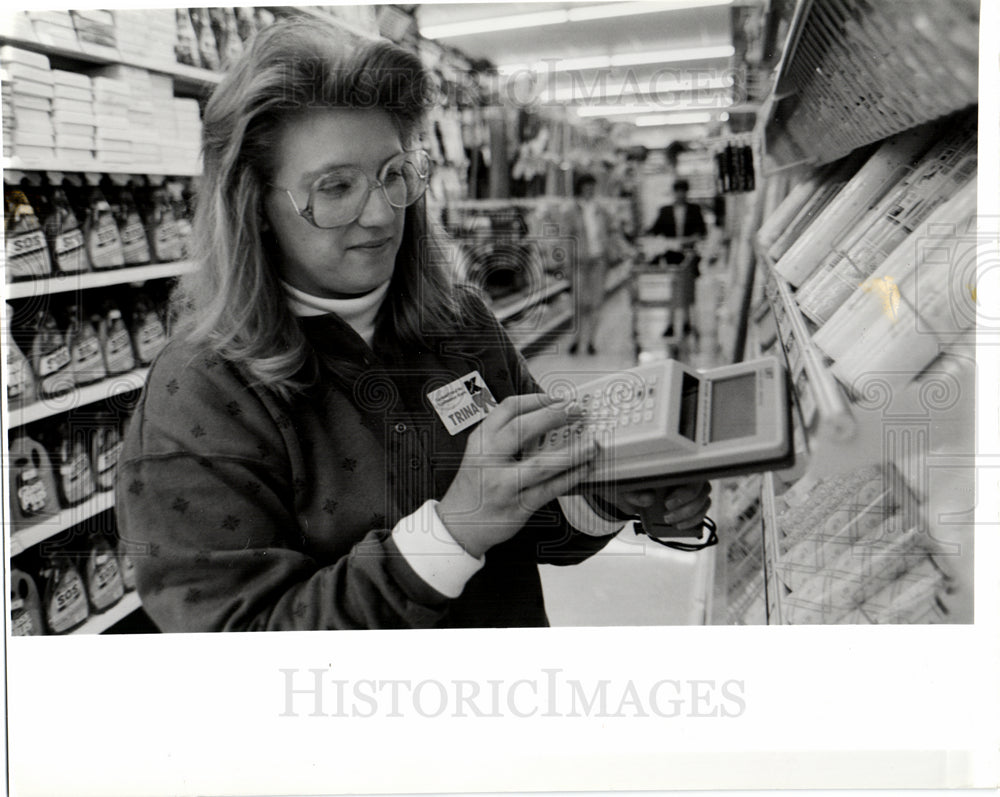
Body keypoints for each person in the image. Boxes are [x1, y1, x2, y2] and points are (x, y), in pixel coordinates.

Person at [114, 20, 711, 632]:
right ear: (253, 206)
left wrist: (611, 497)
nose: (379, 215)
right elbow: (238, 645)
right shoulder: (202, 391)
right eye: (335, 187)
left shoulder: (460, 322)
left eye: (394, 174)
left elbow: (540, 527)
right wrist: (453, 533)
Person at [645, 178, 707, 338]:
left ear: (686, 192)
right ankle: (671, 324)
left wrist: (690, 240)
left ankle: (687, 322)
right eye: (678, 191)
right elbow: (655, 229)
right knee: (671, 291)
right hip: (671, 256)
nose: (680, 194)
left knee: (687, 291)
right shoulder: (665, 211)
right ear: (674, 192)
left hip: (689, 257)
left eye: (683, 191)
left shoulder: (695, 210)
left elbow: (702, 232)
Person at [567, 173, 618, 355]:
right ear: (580, 188)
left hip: (598, 261)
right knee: (579, 303)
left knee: (596, 303)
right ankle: (576, 339)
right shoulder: (571, 211)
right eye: (586, 186)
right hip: (579, 263)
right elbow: (566, 238)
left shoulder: (601, 210)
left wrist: (613, 253)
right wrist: (567, 262)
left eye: (592, 186)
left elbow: (611, 233)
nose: (589, 190)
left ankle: (590, 341)